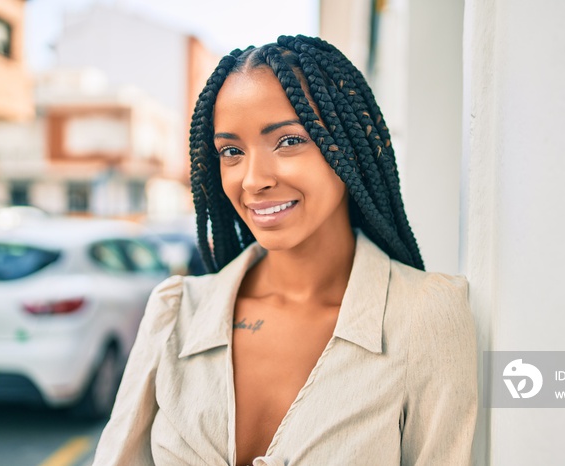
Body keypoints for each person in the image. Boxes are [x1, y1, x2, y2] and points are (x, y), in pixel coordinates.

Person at [93, 35, 477, 466]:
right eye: (232, 151)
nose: (253, 179)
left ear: (349, 145)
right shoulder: (175, 313)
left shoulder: (427, 317)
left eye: (289, 141)